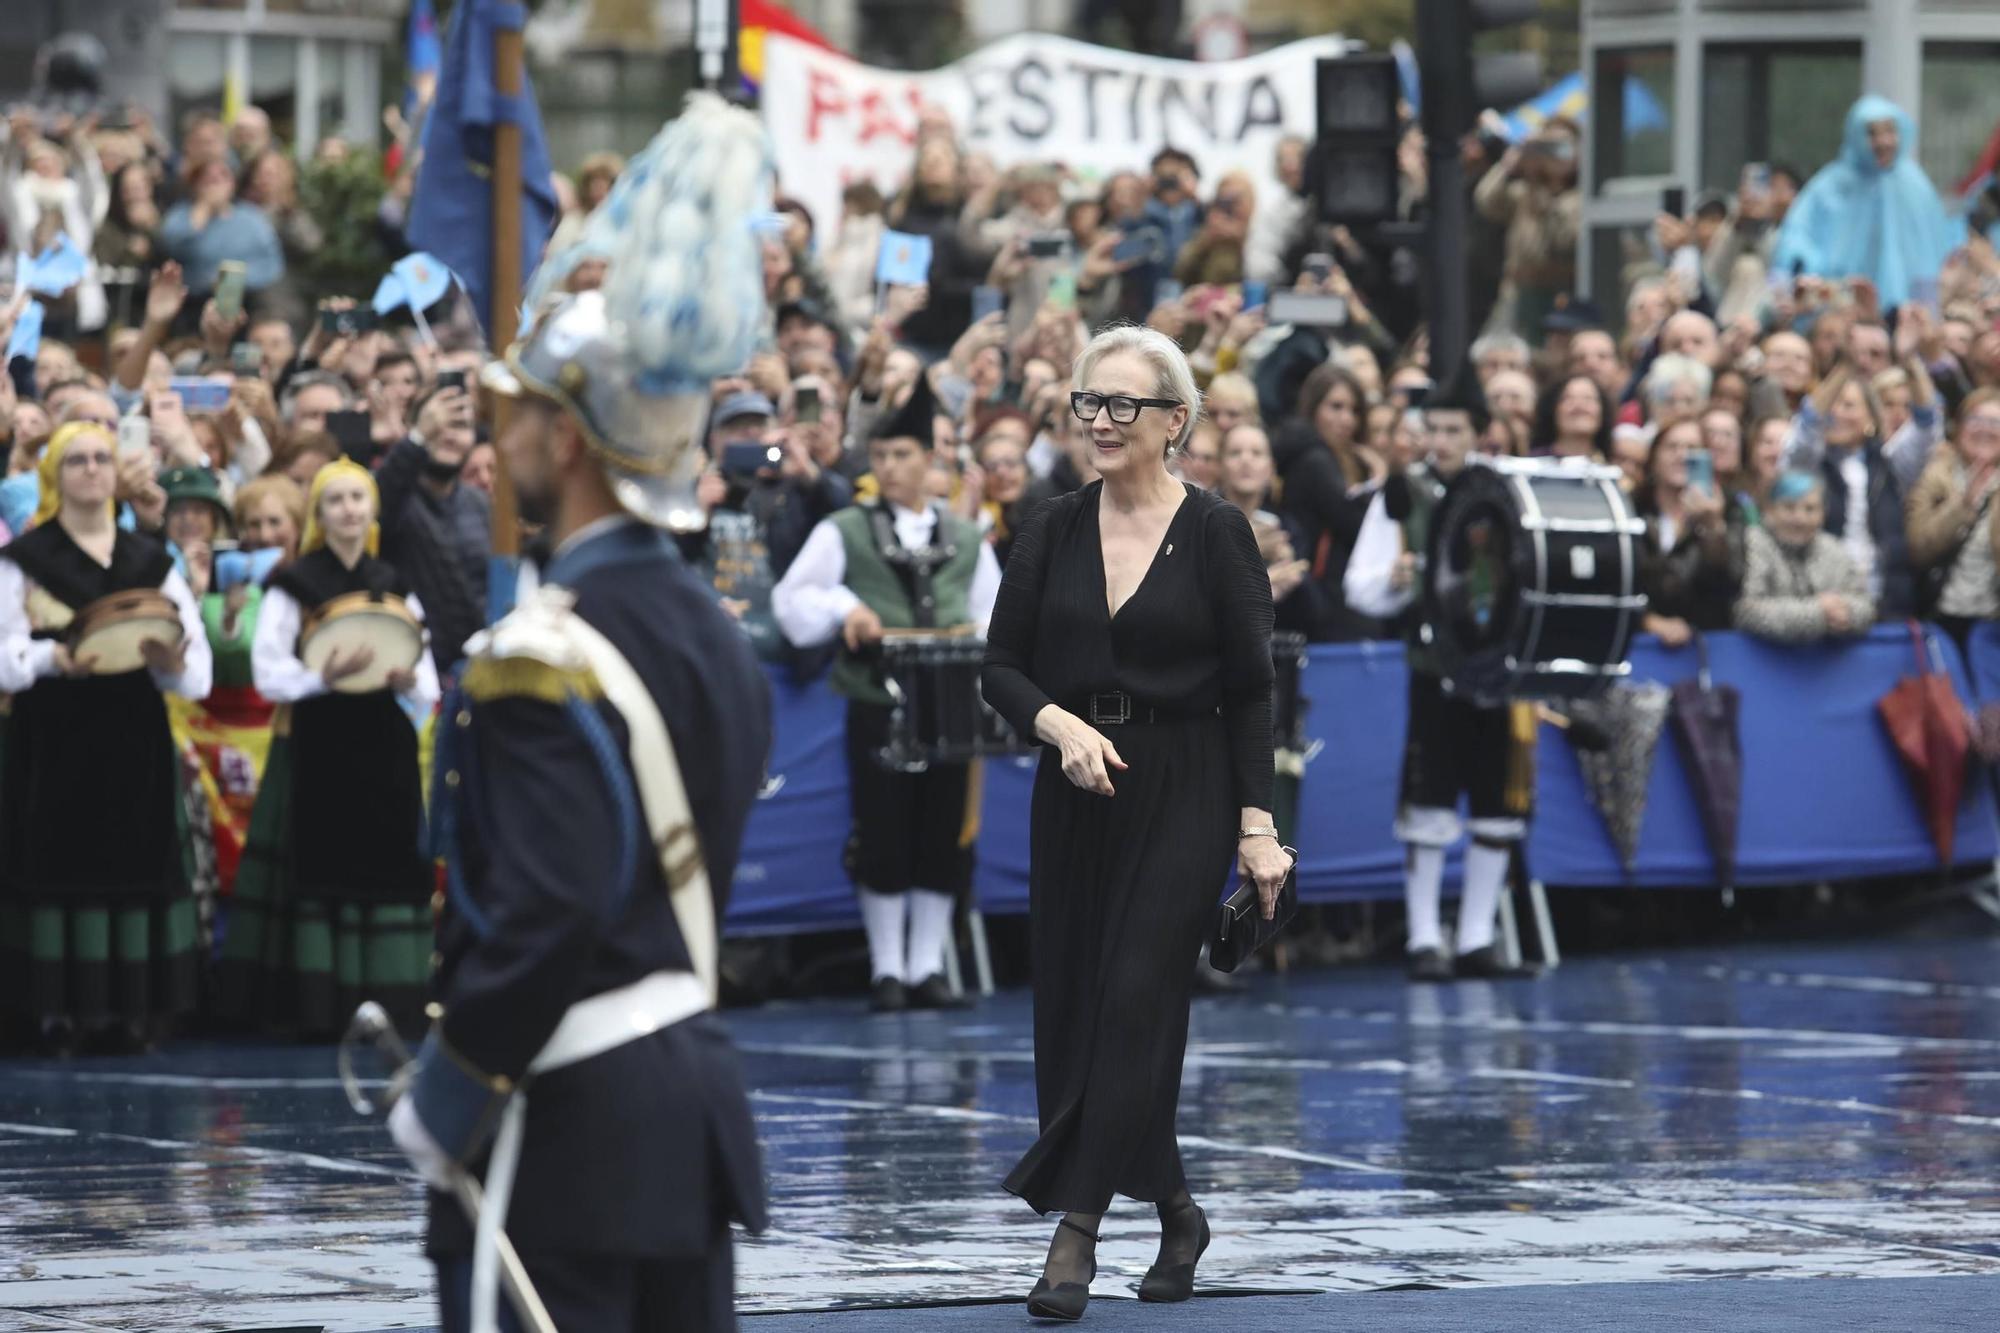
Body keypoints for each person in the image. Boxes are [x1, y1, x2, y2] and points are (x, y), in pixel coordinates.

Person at [386, 96, 773, 1333]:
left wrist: (446, 1092)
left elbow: (548, 907)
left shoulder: (533, 655)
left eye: (515, 417)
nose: (501, 442)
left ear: (571, 435)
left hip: (560, 1126)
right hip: (687, 1118)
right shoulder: (719, 634)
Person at [981, 325, 1284, 1319]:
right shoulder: (1049, 525)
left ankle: (1074, 1233)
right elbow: (999, 667)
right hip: (1074, 789)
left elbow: (1248, 689)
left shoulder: (1215, 531)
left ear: (1175, 421)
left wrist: (1253, 826)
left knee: (1135, 998)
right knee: (1077, 1013)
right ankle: (1179, 1209)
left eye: (1122, 405)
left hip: (1184, 784)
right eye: (1087, 403)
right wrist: (1052, 719)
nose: (1100, 422)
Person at [772, 373, 1002, 1012]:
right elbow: (792, 599)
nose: (889, 468)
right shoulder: (844, 528)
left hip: (950, 708)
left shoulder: (964, 537)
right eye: (879, 457)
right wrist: (846, 608)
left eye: (902, 455)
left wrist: (971, 639)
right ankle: (887, 970)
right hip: (877, 701)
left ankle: (927, 967)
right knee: (883, 830)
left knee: (940, 832)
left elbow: (996, 612)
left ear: (931, 462)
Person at [0, 422, 212, 1053]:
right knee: (56, 863)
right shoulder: (25, 560)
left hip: (132, 738)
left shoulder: (149, 561)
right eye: (77, 460)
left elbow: (195, 665)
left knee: (133, 862)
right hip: (53, 738)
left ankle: (132, 1008)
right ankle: (58, 1010)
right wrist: (47, 661)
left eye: (101, 459)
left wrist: (169, 664)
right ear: (54, 475)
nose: (91, 470)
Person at [216, 460, 439, 1038]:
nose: (347, 509)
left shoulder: (394, 583)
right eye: (335, 499)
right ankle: (319, 1009)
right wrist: (326, 677)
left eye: (356, 499)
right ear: (318, 514)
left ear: (372, 511)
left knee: (386, 868)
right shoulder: (294, 584)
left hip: (382, 748)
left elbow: (428, 678)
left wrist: (406, 681)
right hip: (318, 745)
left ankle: (392, 1001)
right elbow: (270, 674)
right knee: (321, 867)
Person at [1343, 364, 1537, 983]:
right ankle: (1426, 937)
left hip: (1497, 672)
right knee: (1428, 802)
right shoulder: (1404, 496)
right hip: (1433, 669)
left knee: (1495, 806)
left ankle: (1477, 936)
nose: (1443, 441)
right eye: (1436, 428)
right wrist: (1395, 584)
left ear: (1480, 431)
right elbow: (1358, 587)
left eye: (1456, 429)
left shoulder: (1504, 493)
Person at [1773, 95, 1961, 310]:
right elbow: (1799, 235)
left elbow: (1939, 242)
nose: (1883, 142)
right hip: (1840, 308)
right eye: (1872, 133)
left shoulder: (1915, 185)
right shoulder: (1832, 184)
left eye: (1890, 131)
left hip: (1910, 308)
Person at [1633, 418, 1744, 645]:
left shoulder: (1731, 507)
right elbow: (1614, 577)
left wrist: (1713, 527)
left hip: (1706, 643)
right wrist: (1648, 620)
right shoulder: (1632, 508)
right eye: (1672, 447)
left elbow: (1731, 581)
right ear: (1653, 458)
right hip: (1638, 643)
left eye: (1692, 449)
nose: (1681, 456)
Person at [1905, 390, 2000, 651]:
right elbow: (1917, 548)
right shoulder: (1934, 476)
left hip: (1994, 623)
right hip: (1940, 619)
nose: (1985, 430)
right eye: (1976, 420)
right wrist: (1962, 506)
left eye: (1995, 423)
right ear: (1958, 428)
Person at [1735, 471, 1875, 643]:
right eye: (1789, 507)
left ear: (1822, 514)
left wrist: (1848, 614)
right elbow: (1746, 611)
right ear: (1770, 510)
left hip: (1826, 665)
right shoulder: (1754, 543)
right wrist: (1816, 613)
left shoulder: (1833, 549)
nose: (1800, 518)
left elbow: (1865, 604)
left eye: (1810, 509)